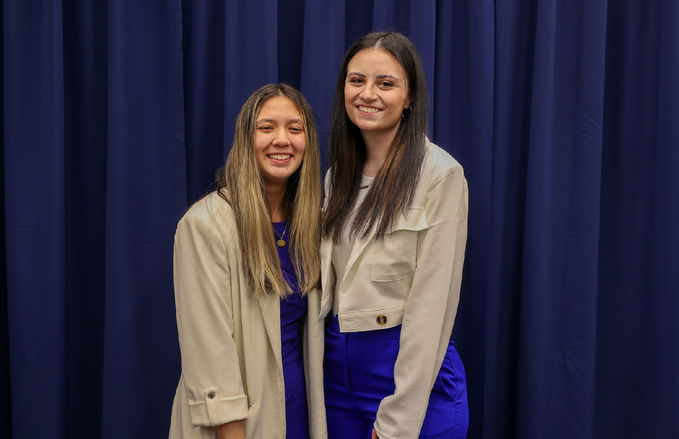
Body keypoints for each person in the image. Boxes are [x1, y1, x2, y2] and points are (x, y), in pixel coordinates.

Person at [321, 32, 470, 439]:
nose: (367, 94)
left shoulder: (441, 175)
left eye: (385, 83)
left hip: (410, 382)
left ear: (409, 97)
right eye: (356, 80)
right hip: (335, 380)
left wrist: (398, 423)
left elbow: (431, 307)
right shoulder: (337, 177)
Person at [169, 83, 327, 439]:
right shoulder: (205, 225)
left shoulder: (314, 225)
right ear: (245, 139)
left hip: (300, 416)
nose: (282, 140)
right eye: (267, 127)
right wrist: (232, 431)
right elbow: (209, 351)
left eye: (295, 128)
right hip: (238, 426)